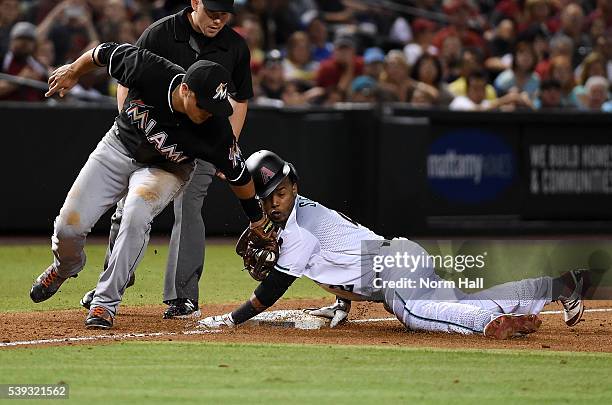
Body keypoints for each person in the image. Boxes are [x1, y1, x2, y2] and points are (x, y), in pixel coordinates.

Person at [197, 150, 589, 339]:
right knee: (449, 303)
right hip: (396, 256)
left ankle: (486, 323)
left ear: (294, 186)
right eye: (265, 199)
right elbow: (343, 254)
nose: (272, 203)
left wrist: (231, 319)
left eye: (278, 193)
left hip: (390, 265)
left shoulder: (296, 232)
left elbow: (273, 289)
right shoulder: (303, 218)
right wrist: (341, 303)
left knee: (414, 313)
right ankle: (554, 287)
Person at [29, 42, 274, 330]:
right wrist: (73, 70)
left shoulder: (215, 128)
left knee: (135, 216)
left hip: (166, 169)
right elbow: (103, 53)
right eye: (204, 104)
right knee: (67, 228)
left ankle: (104, 303)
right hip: (118, 148)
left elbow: (239, 176)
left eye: (215, 106)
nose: (210, 112)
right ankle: (64, 268)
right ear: (185, 89)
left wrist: (256, 218)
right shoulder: (149, 69)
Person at [80, 0, 253, 319]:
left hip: (201, 142)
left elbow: (239, 100)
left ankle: (183, 296)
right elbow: (127, 82)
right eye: (211, 12)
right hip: (149, 136)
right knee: (126, 207)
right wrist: (131, 131)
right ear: (195, 3)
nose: (217, 20)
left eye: (223, 15)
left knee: (188, 205)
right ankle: (113, 280)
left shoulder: (236, 46)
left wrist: (228, 147)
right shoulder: (160, 33)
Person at [0, 22, 48, 102]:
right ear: (12, 41)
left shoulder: (39, 66)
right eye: (20, 38)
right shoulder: (2, 61)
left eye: (29, 40)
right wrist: (20, 80)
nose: (24, 43)